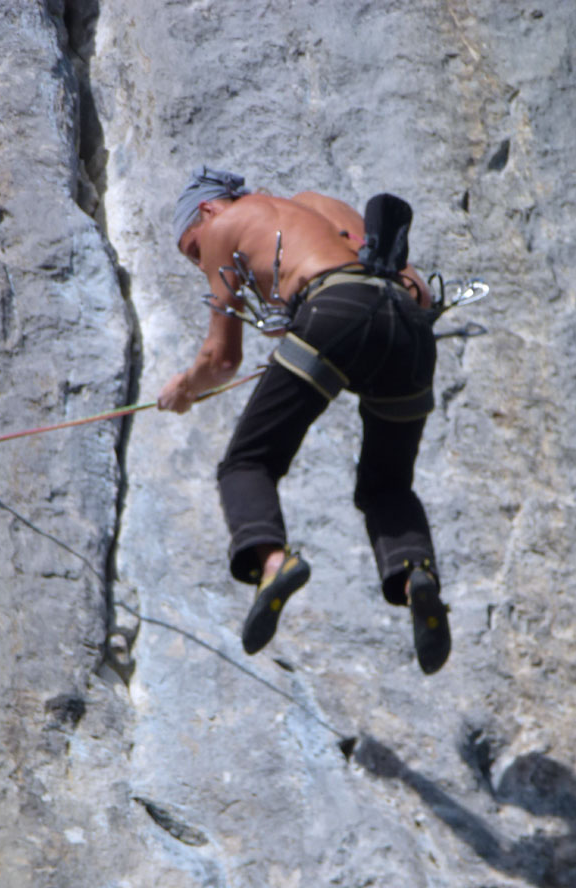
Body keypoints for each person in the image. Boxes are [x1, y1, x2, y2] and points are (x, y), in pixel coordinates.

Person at [158, 166, 450, 673]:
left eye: (191, 248)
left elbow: (221, 360)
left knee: (247, 462)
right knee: (387, 485)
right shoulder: (317, 208)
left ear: (208, 210)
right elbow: (416, 289)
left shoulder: (225, 228)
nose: (197, 260)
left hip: (337, 310)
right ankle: (415, 575)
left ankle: (273, 563)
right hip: (409, 329)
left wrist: (183, 388)